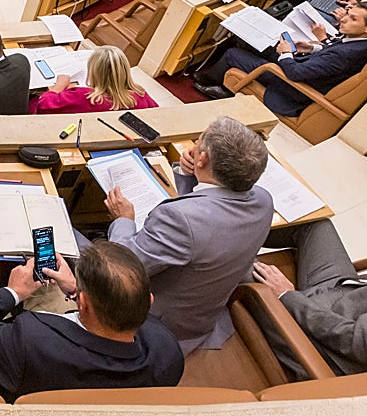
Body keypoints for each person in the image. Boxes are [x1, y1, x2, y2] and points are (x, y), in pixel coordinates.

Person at [101, 116, 272, 354]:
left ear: (202, 158)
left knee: (78, 242)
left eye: (199, 140)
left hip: (158, 327)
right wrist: (188, 173)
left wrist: (123, 219)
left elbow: (120, 264)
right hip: (202, 317)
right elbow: (204, 208)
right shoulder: (264, 200)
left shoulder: (179, 219)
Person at [0, 241, 183, 402]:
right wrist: (74, 289)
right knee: (49, 287)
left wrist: (13, 291)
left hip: (14, 371)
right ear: (149, 300)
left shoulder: (28, 341)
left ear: (84, 303)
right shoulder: (168, 352)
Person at [254, 216, 367, 377]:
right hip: (347, 293)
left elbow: (353, 341)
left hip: (313, 340)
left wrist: (287, 296)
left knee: (237, 257)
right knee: (314, 224)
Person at [192, 1, 367, 115]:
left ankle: (205, 79)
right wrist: (313, 48)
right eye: (348, 13)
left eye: (353, 19)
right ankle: (226, 78)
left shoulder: (344, 55)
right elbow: (336, 51)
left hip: (291, 87)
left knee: (233, 54)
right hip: (311, 67)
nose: (344, 19)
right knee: (253, 42)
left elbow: (295, 73)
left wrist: (287, 52)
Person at [31, 46, 158, 114]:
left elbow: (43, 105)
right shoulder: (140, 94)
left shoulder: (84, 96)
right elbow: (156, 113)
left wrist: (58, 87)